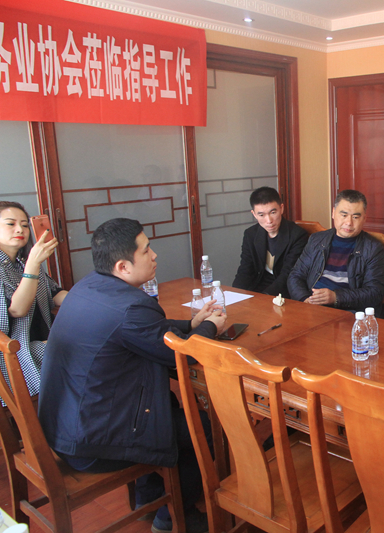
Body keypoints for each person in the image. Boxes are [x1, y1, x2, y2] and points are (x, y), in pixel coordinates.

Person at [38, 218, 227, 533]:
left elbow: (147, 332)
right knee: (203, 427)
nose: (154, 255)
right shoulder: (131, 307)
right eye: (146, 250)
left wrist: (192, 325)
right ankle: (173, 517)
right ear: (123, 267)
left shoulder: (87, 286)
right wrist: (210, 328)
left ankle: (149, 498)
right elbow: (179, 355)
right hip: (92, 441)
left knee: (170, 412)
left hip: (66, 425)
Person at [0, 201, 67, 402]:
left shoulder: (21, 263)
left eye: (24, 225)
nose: (20, 229)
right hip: (13, 353)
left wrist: (88, 301)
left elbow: (54, 292)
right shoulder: (28, 263)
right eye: (10, 224)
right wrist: (33, 264)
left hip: (36, 341)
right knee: (82, 348)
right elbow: (17, 310)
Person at [288, 189, 384, 313]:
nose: (349, 223)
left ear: (364, 218)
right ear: (333, 213)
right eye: (344, 215)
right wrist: (304, 299)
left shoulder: (373, 248)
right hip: (312, 306)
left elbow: (375, 292)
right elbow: (296, 275)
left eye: (355, 217)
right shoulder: (316, 240)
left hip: (349, 311)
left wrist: (336, 297)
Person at [232, 186, 308, 296]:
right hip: (257, 288)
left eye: (273, 212)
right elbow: (245, 270)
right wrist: (234, 294)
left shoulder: (297, 235)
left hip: (284, 292)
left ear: (281, 208)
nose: (269, 221)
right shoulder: (250, 234)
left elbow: (288, 274)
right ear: (254, 214)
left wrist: (264, 298)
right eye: (261, 215)